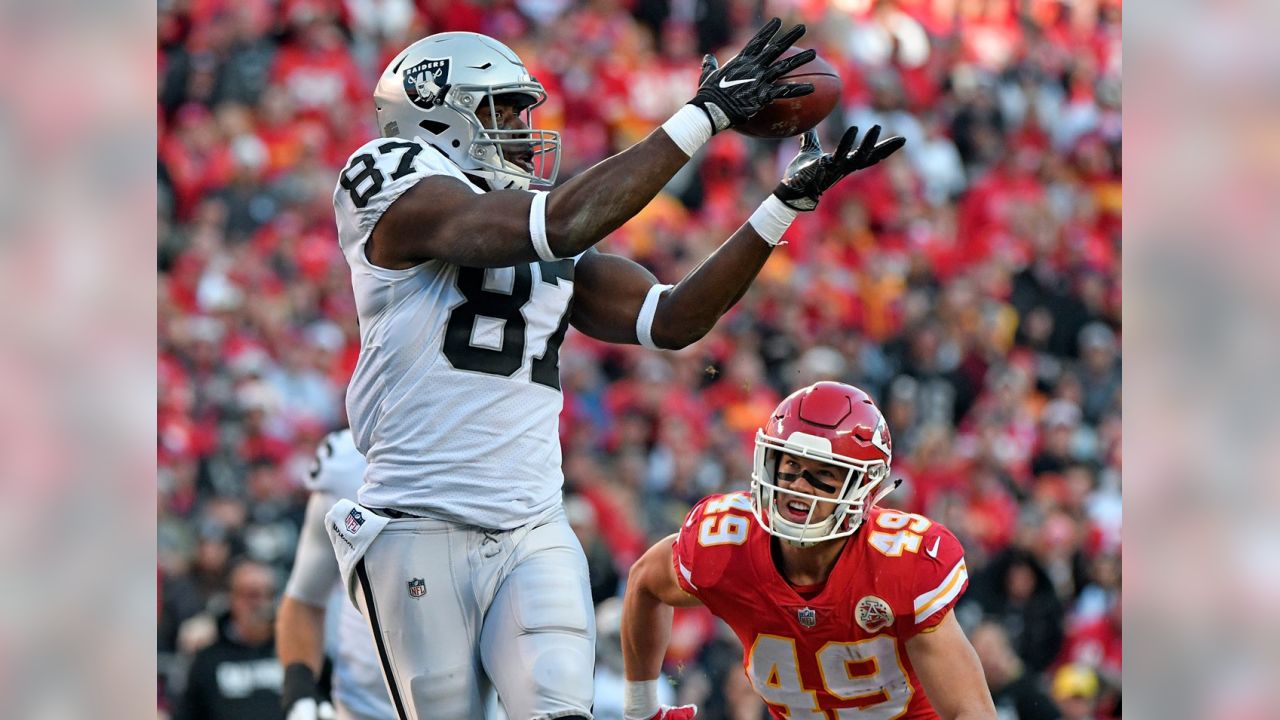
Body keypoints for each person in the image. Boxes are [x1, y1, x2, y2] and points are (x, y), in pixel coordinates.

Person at [324, 19, 906, 720]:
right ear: (434, 110)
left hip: (531, 528)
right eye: (501, 108)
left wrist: (780, 206)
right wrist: (703, 116)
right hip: (419, 519)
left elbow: (676, 318)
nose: (520, 126)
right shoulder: (389, 177)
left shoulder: (535, 222)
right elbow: (559, 225)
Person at [622, 381, 996, 720]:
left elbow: (972, 711)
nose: (800, 486)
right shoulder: (726, 545)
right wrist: (641, 709)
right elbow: (644, 583)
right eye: (791, 466)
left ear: (862, 490)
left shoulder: (898, 565)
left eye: (825, 474)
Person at [277, 428, 395, 720]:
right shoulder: (346, 461)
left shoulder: (498, 446)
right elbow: (304, 598)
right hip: (363, 707)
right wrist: (299, 688)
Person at [175, 560, 283, 720]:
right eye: (252, 595)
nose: (260, 604)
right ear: (233, 598)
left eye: (268, 595)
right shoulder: (208, 659)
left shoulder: (294, 651)